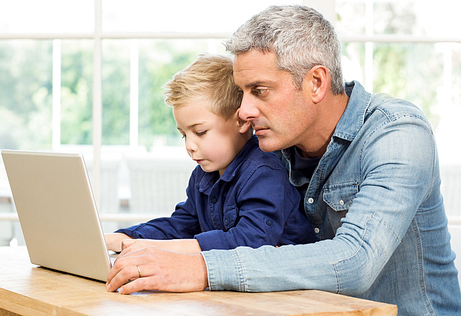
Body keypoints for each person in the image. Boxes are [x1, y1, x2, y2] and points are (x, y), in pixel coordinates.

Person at [106, 6, 461, 315]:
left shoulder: (398, 134)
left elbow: (355, 261)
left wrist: (200, 268)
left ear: (316, 83)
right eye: (242, 92)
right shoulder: (272, 145)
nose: (243, 111)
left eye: (259, 91)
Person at [105, 53, 315, 255]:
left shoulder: (263, 173)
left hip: (286, 289)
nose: (189, 145)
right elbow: (181, 225)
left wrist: (163, 249)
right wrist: (127, 238)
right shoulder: (202, 175)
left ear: (241, 121)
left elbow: (250, 242)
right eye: (183, 135)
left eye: (200, 132)